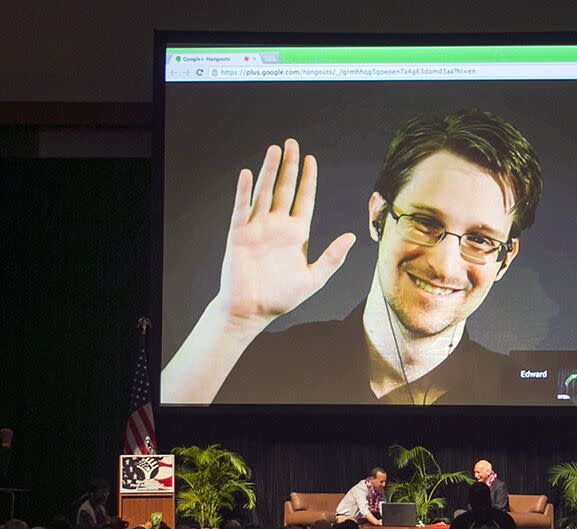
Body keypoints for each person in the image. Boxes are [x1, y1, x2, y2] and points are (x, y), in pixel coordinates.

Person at [161, 109, 543, 406]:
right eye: (425, 222)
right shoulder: (262, 361)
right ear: (378, 216)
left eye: (479, 239)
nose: (444, 264)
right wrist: (231, 321)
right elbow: (146, 452)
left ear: (505, 260)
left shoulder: (529, 395)